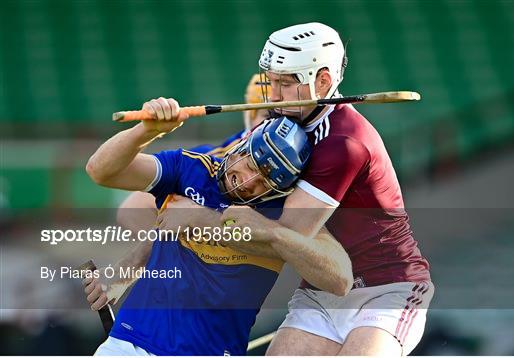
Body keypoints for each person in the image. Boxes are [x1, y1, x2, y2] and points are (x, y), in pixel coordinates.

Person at [148, 22, 433, 356]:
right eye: (272, 81)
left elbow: (288, 234)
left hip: (387, 289)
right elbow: (220, 177)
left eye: (285, 83)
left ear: (323, 81)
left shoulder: (345, 142)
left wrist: (200, 218)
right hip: (320, 291)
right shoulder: (280, 120)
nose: (275, 94)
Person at [84, 102, 352, 355]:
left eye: (266, 180)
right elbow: (101, 171)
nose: (248, 182)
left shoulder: (283, 212)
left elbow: (340, 279)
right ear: (242, 147)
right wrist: (146, 131)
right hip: (129, 342)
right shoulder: (191, 167)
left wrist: (262, 232)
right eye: (251, 164)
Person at [116, 73, 273, 233]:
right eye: (268, 116)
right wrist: (170, 251)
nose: (276, 124)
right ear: (249, 116)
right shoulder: (210, 158)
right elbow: (132, 209)